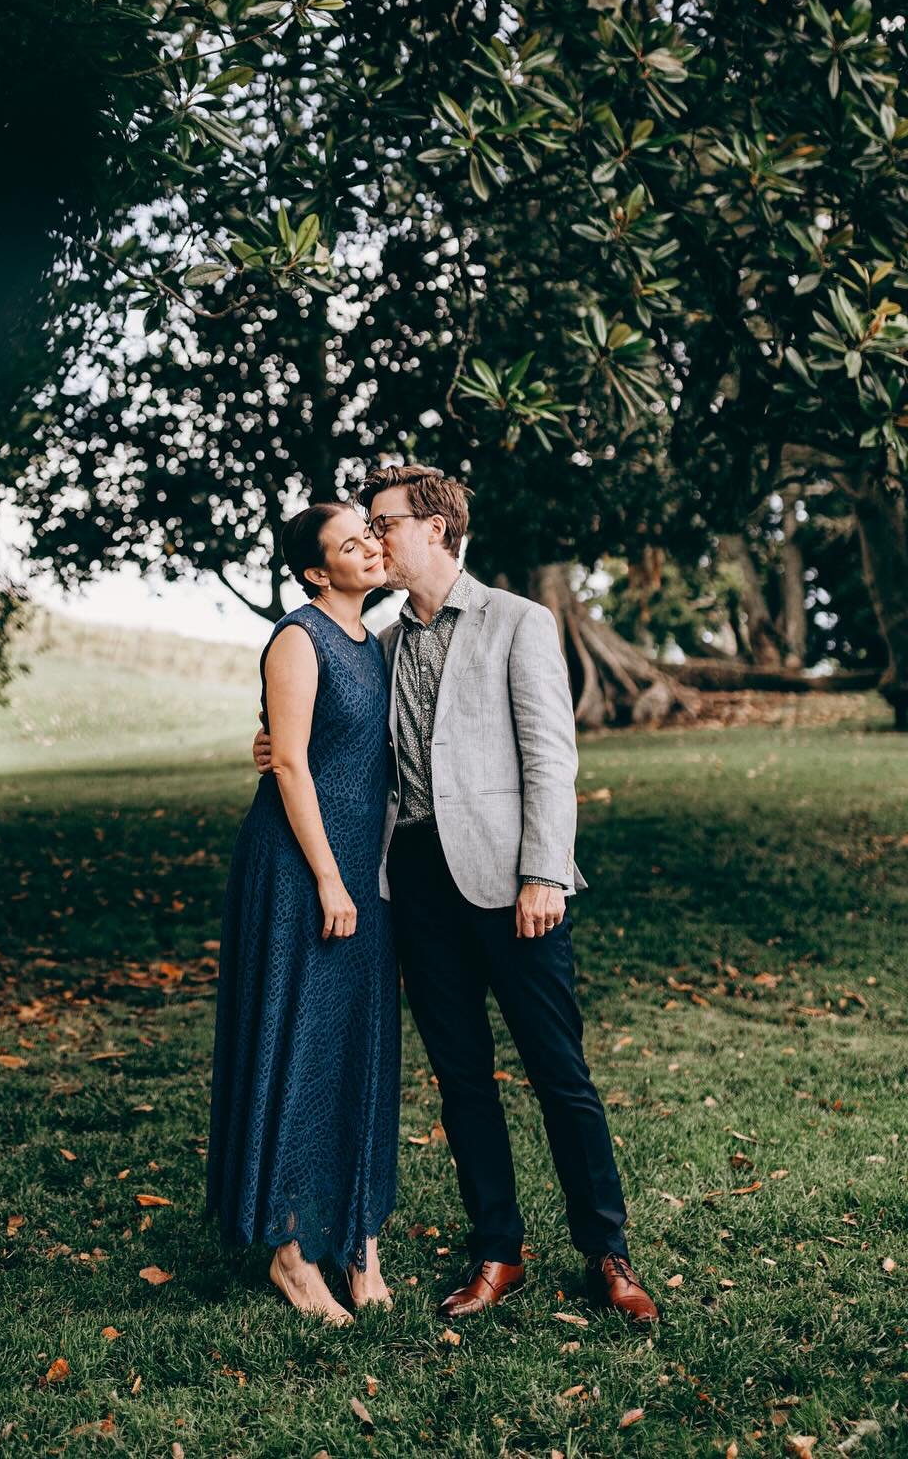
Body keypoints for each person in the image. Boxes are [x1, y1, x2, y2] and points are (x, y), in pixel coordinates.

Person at [253, 465, 660, 1325]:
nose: (375, 536)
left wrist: (545, 872)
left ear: (434, 527)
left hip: (514, 882)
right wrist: (273, 744)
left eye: (386, 522)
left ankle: (607, 1251)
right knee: (462, 1079)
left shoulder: (520, 621)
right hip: (416, 887)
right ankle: (497, 1251)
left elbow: (552, 758)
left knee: (561, 1075)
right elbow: (336, 734)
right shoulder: (384, 641)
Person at [207, 503, 400, 1326]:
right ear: (318, 571)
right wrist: (327, 878)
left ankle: (357, 1237)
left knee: (357, 1045)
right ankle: (291, 1254)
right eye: (352, 543)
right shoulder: (298, 637)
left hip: (366, 869)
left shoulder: (375, 642)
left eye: (370, 535)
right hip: (299, 870)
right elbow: (287, 759)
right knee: (301, 1042)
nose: (370, 547)